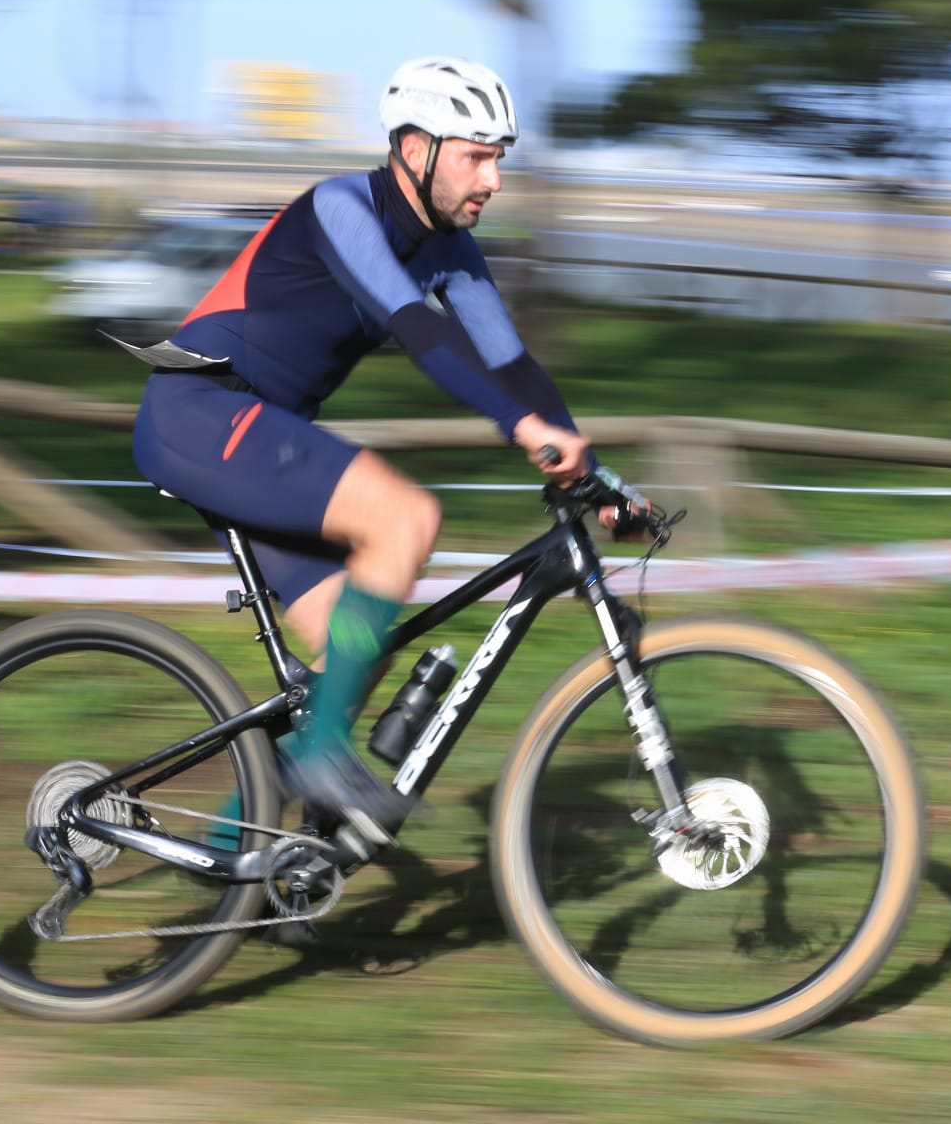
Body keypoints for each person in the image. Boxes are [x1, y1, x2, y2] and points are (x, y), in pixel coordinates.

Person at [126, 56, 623, 845]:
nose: (493, 179)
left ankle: (235, 861)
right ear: (416, 150)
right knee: (405, 518)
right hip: (201, 410)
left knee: (354, 661)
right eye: (477, 156)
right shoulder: (341, 207)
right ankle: (319, 766)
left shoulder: (452, 249)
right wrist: (521, 429)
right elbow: (417, 329)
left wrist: (598, 480)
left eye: (499, 159)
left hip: (253, 436)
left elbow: (512, 367)